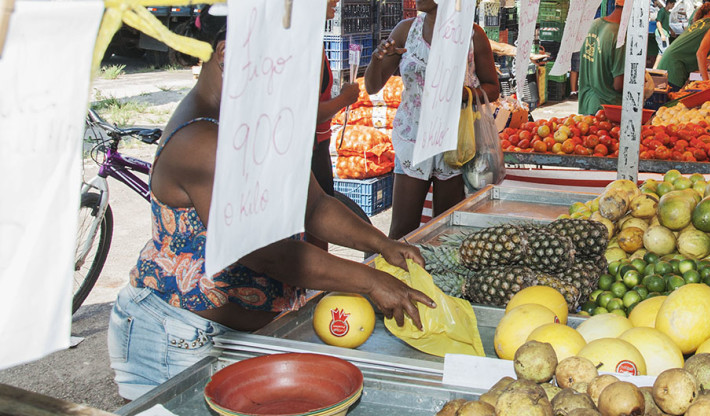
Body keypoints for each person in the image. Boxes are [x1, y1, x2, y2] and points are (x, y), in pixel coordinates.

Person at [107, 5, 435, 400]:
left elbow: (314, 205)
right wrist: (370, 280)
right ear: (228, 55)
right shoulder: (201, 142)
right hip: (178, 338)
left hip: (241, 335)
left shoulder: (253, 117)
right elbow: (263, 252)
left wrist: (381, 244)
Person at [363, 0, 499, 240]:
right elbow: (372, 87)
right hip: (413, 140)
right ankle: (399, 277)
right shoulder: (406, 30)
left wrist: (465, 94)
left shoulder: (472, 35)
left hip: (454, 142)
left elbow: (493, 88)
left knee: (446, 230)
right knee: (401, 232)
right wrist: (377, 58)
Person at [308, 0, 361, 250]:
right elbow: (307, 113)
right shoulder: (307, 44)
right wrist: (344, 99)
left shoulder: (309, 39)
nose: (336, 1)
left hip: (314, 147)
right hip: (310, 150)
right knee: (315, 230)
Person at [658, 4, 710, 92]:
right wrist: (707, 83)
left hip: (669, 60)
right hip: (674, 66)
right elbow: (701, 53)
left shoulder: (707, 21)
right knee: (670, 100)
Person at [577, 0, 625, 116]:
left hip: (587, 103)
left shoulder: (594, 24)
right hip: (606, 110)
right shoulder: (620, 36)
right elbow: (618, 85)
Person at [654, 0, 677, 69]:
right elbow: (658, 22)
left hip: (665, 33)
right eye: (672, 4)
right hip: (662, 34)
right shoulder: (662, 11)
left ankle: (655, 68)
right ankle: (659, 68)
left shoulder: (667, 12)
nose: (673, 6)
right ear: (669, 3)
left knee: (661, 52)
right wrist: (662, 34)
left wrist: (671, 30)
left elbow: (665, 23)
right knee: (665, 52)